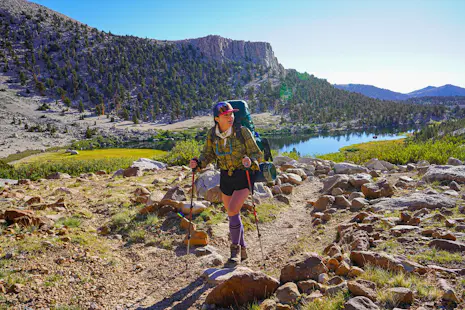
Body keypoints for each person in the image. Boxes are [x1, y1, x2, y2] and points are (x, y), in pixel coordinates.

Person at [190, 101, 263, 266]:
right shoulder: (212, 134)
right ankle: (243, 249)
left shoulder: (242, 132)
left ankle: (234, 251)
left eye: (231, 114)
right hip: (225, 176)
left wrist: (250, 160)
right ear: (217, 119)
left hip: (244, 174)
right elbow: (207, 155)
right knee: (233, 215)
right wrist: (198, 163)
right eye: (226, 115)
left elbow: (257, 154)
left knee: (232, 209)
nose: (230, 117)